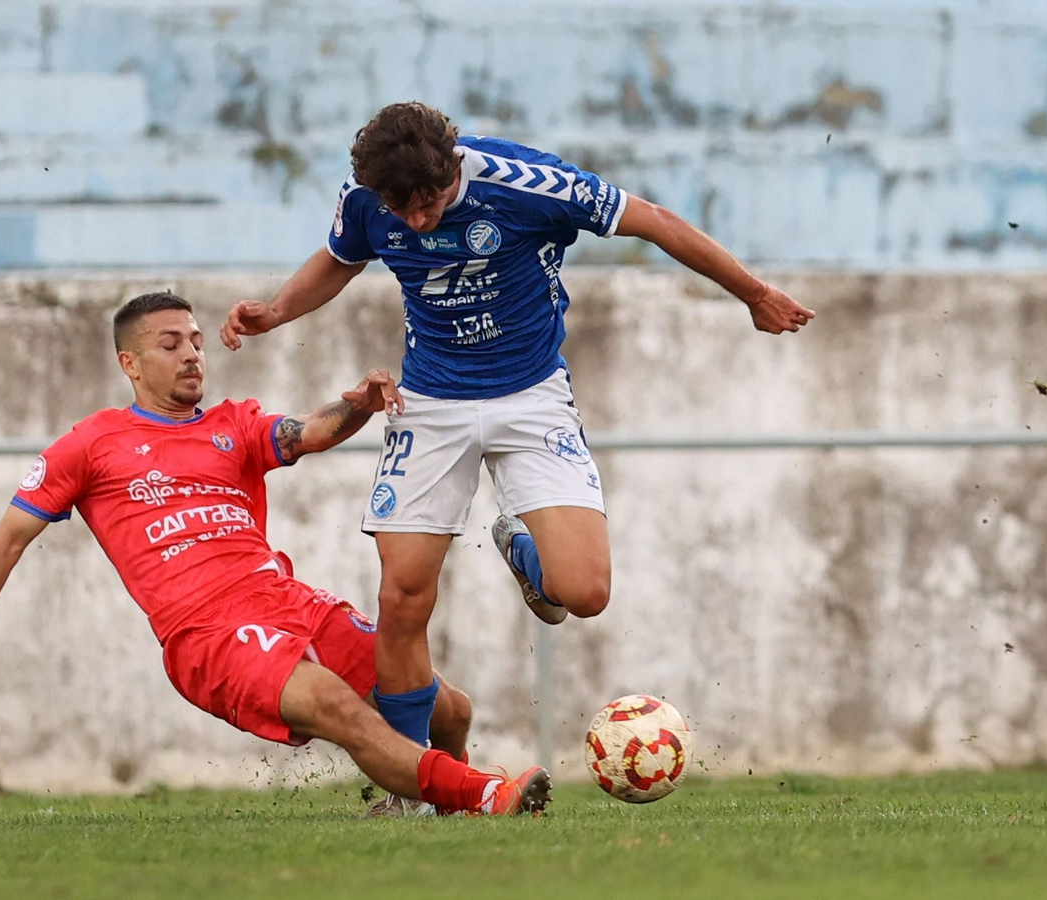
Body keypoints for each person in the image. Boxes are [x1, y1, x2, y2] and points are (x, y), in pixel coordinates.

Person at [219, 102, 815, 761]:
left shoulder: (527, 184)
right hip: (430, 404)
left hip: (531, 397)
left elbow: (656, 222)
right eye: (403, 213)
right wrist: (274, 311)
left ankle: (520, 546)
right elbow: (340, 258)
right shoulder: (367, 197)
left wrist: (753, 293)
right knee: (403, 596)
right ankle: (414, 778)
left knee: (584, 593)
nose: (417, 223)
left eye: (430, 204)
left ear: (453, 171)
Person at [0, 290, 551, 816]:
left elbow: (310, 433)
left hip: (289, 601)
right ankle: (483, 793)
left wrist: (355, 406)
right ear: (130, 363)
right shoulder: (92, 445)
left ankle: (427, 803)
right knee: (340, 710)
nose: (191, 356)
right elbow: (7, 536)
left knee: (449, 710)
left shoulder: (231, 425)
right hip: (208, 633)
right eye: (170, 344)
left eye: (197, 343)